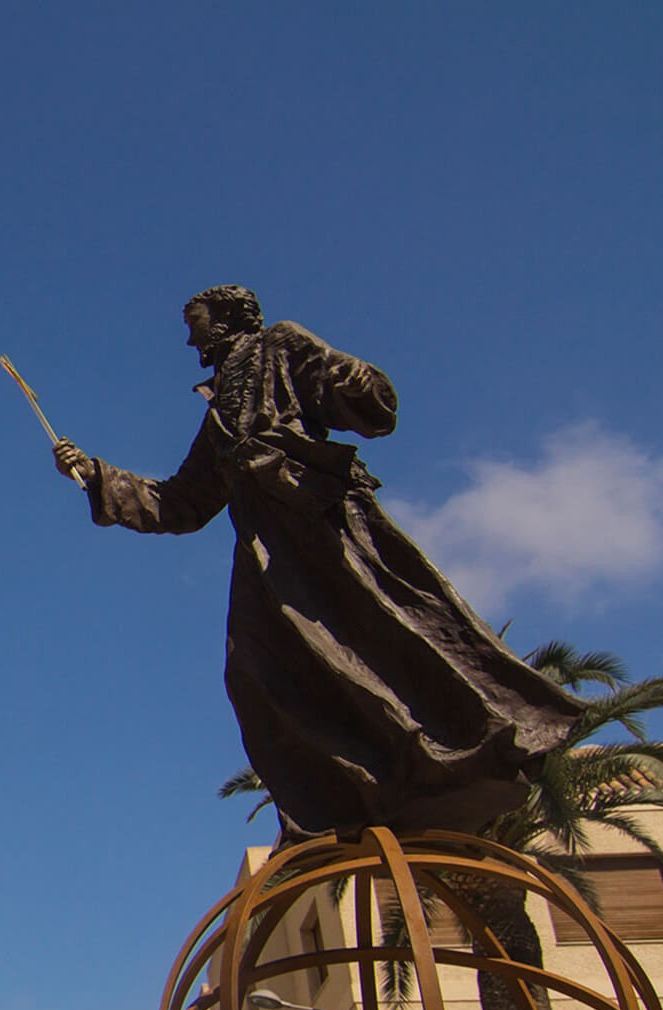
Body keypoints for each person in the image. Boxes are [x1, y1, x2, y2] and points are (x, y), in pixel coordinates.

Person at [52, 285, 577, 838]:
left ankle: (462, 747)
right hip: (267, 549)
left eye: (197, 323)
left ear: (230, 318)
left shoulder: (282, 344)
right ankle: (340, 801)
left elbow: (369, 399)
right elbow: (182, 502)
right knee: (255, 668)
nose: (190, 337)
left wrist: (357, 385)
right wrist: (93, 473)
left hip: (318, 523)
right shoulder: (219, 413)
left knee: (378, 629)